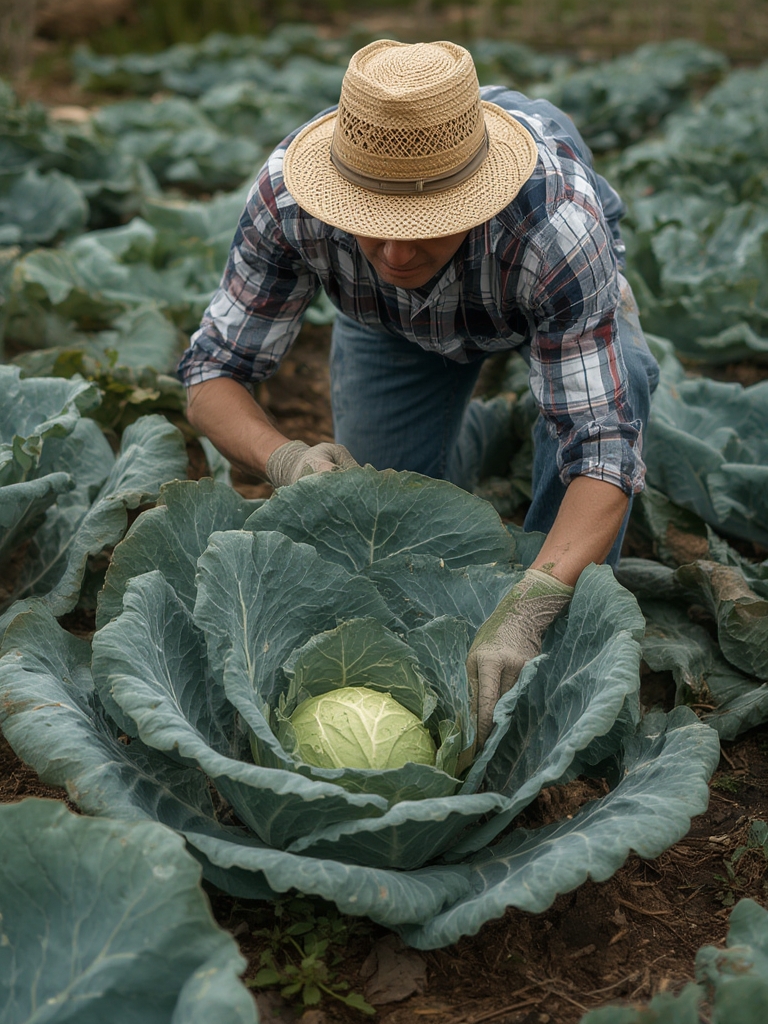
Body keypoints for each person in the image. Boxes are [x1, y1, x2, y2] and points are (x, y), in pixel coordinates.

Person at [178, 39, 659, 745]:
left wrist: (529, 608)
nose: (398, 254)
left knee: (604, 416)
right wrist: (285, 459)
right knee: (388, 505)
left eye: (425, 226)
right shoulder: (290, 198)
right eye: (371, 225)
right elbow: (210, 374)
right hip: (388, 329)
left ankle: (553, 419)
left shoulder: (554, 224)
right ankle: (500, 426)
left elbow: (606, 453)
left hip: (535, 299)